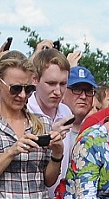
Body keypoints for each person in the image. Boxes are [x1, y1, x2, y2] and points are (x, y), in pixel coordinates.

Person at [0, 51, 68, 199]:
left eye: (28, 89)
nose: (22, 95)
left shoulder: (43, 123)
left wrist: (57, 154)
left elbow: (48, 181)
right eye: (15, 88)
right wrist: (11, 152)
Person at [27, 48, 73, 183]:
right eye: (51, 83)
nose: (58, 91)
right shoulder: (24, 110)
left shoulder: (66, 112)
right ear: (35, 79)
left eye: (63, 84)